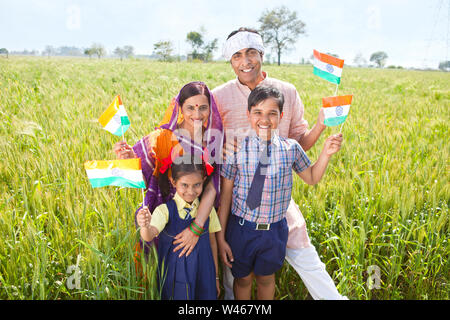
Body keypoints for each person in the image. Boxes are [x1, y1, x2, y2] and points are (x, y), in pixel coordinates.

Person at [212, 27, 347, 300]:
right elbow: (205, 142)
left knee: (303, 252)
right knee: (235, 275)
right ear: (230, 61)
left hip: (278, 198)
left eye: (251, 52)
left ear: (261, 53)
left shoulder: (286, 91)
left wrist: (321, 125)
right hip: (237, 201)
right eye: (237, 55)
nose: (245, 61)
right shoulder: (218, 97)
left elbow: (299, 144)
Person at [114, 81, 223, 258]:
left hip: (198, 215)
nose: (197, 114)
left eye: (203, 108)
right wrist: (127, 159)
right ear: (179, 108)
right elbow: (139, 176)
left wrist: (196, 227)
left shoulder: (212, 142)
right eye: (190, 108)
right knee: (162, 272)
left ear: (211, 109)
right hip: (162, 215)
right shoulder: (162, 137)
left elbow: (211, 187)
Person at [137, 157, 221, 299]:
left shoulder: (207, 210)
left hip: (205, 275)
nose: (191, 191)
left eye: (197, 185)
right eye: (184, 185)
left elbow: (212, 243)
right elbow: (149, 235)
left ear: (204, 181)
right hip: (176, 279)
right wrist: (144, 225)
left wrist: (216, 277)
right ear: (173, 182)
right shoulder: (165, 211)